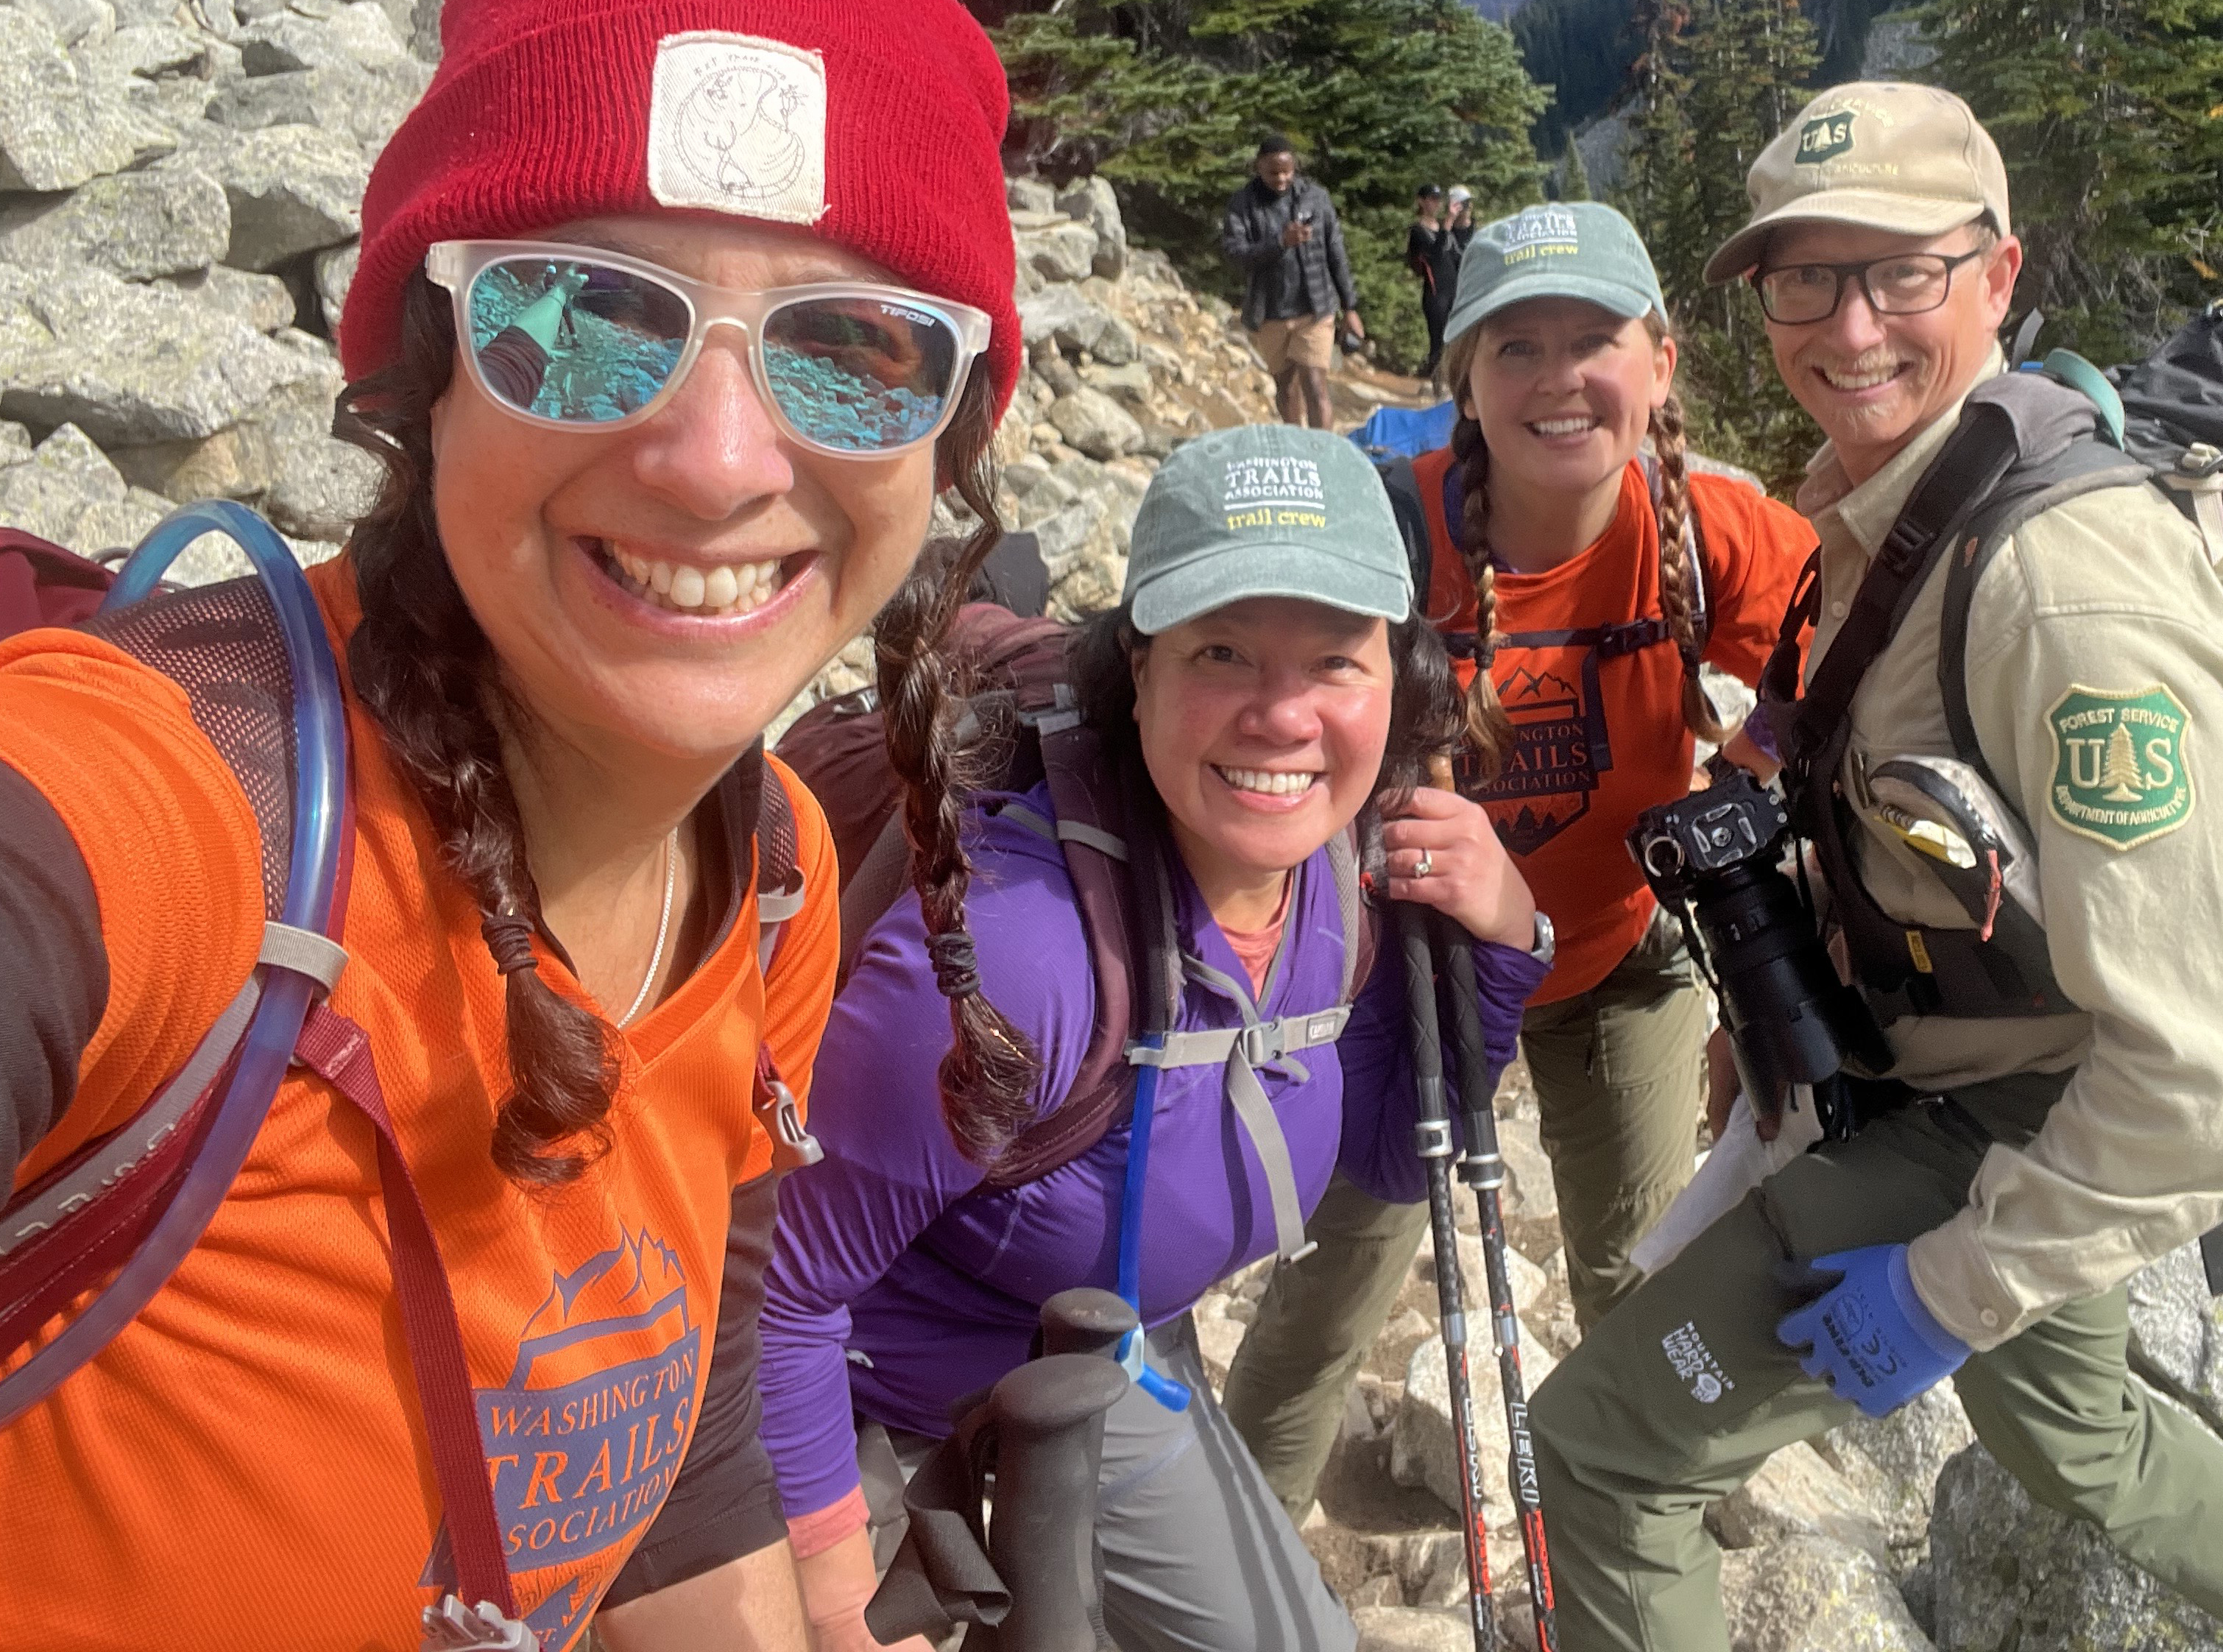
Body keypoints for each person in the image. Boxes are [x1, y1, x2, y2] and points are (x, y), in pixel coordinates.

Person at [0, 0, 1025, 1652]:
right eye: (576, 314)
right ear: (422, 369)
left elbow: (686, 1421)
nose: (719, 459)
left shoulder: (779, 881)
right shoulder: (176, 815)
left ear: (951, 436)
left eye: (855, 350)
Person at [1526, 83, 2223, 1652]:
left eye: (1903, 271)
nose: (1848, 327)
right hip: (1956, 1056)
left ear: (1999, 274)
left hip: (2021, 1108)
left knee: (1607, 1453)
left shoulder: (2064, 597)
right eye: (1802, 278)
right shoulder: (1913, 503)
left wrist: (1951, 1289)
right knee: (2077, 1436)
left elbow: (2211, 1082)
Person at [763, 425, 1547, 1652]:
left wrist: (1504, 939)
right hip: (854, 1392)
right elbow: (771, 1284)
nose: (1280, 713)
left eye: (1334, 661)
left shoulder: (1344, 875)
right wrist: (821, 1597)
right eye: (1221, 650)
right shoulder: (1022, 951)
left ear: (1400, 677)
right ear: (1138, 669)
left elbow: (1396, 1160)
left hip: (1094, 1360)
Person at [1223, 201, 1819, 1524]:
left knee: (1637, 1262)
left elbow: (1827, 660)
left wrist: (1748, 781)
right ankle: (1237, 1535)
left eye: (1591, 339)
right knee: (1342, 1274)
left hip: (1617, 954)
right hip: (1416, 971)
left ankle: (1651, 1504)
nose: (1557, 378)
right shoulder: (1390, 528)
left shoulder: (1707, 535)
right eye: (1516, 347)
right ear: (1465, 384)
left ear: (1659, 362)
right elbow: (1254, 705)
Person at [1220, 136, 1362, 429]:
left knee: (1315, 383)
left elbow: (1336, 252)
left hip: (1315, 308)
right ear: (1259, 167)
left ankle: (1322, 455)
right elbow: (1236, 254)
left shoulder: (1315, 198)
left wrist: (1350, 307)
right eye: (1274, 172)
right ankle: (1296, 448)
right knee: (1285, 388)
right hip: (1270, 311)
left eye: (1288, 171)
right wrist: (1279, 243)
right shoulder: (1243, 204)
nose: (1282, 178)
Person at [1404, 183, 1460, 378]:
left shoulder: (1446, 229)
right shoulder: (1418, 231)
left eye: (1438, 199)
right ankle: (1435, 384)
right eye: (1431, 199)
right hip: (1436, 294)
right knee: (1439, 342)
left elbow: (1456, 257)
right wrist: (1447, 226)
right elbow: (1434, 255)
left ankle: (1453, 386)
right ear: (1421, 201)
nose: (1436, 203)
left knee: (1457, 341)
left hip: (1454, 291)